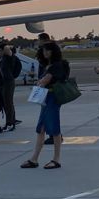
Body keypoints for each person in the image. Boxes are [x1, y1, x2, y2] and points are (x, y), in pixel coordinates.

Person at [21, 41, 70, 169]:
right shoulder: (48, 66)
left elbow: (44, 81)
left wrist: (40, 82)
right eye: (44, 50)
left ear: (54, 51)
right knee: (41, 128)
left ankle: (56, 159)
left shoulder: (56, 66)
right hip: (46, 98)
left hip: (52, 98)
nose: (45, 52)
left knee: (54, 129)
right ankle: (34, 158)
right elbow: (42, 81)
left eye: (48, 50)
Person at [0, 44, 21, 131]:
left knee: (8, 103)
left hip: (8, 82)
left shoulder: (9, 57)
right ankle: (11, 121)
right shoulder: (5, 58)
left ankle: (10, 123)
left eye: (1, 50)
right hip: (6, 81)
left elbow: (7, 49)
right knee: (8, 102)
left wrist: (8, 46)